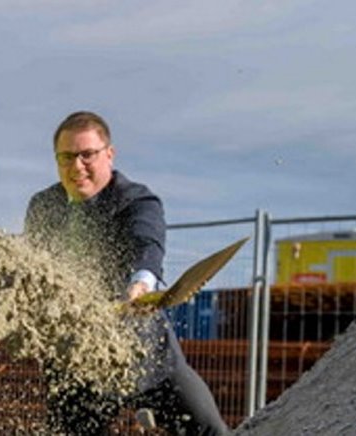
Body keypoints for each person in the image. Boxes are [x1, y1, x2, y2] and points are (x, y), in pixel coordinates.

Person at [25, 111, 228, 435]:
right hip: (79, 361)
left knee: (208, 428)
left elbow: (146, 245)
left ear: (109, 153)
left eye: (87, 154)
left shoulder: (135, 200)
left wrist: (140, 284)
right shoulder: (44, 207)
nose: (77, 166)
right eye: (66, 157)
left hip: (146, 353)